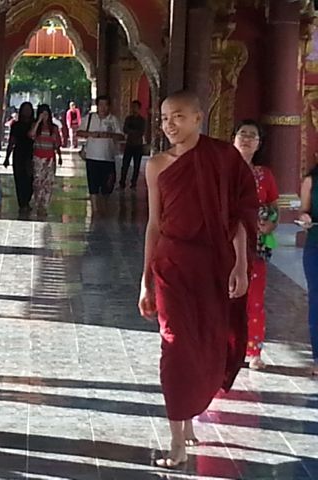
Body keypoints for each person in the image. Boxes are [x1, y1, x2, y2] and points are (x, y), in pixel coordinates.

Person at [138, 91, 258, 468]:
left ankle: (189, 415)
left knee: (207, 343)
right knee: (175, 346)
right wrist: (145, 280)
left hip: (212, 264)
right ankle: (177, 439)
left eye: (177, 117)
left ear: (197, 118)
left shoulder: (222, 158)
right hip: (172, 263)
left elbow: (240, 215)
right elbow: (154, 224)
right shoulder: (156, 165)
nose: (169, 125)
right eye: (163, 118)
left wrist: (239, 265)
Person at [233, 120, 278, 370]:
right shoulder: (222, 170)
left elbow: (273, 205)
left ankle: (254, 349)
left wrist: (271, 223)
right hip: (226, 242)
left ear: (259, 144)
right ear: (233, 138)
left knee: (255, 296)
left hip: (257, 243)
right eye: (242, 134)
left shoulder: (265, 175)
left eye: (253, 136)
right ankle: (229, 347)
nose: (247, 139)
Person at [77, 95, 124, 217]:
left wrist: (109, 134)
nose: (103, 108)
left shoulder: (113, 120)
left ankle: (104, 207)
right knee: (93, 185)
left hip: (108, 157)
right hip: (92, 157)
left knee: (107, 185)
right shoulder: (89, 118)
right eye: (100, 105)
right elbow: (79, 132)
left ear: (109, 106)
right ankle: (95, 210)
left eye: (105, 105)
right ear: (97, 106)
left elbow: (121, 136)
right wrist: (92, 134)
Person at [298, 161, 318, 376]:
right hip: (316, 248)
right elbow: (304, 211)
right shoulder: (311, 181)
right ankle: (317, 357)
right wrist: (305, 219)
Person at [29, 104, 62, 218]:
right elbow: (31, 135)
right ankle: (38, 204)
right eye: (42, 114)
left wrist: (59, 155)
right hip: (38, 157)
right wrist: (38, 122)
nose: (44, 116)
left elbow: (57, 143)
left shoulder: (54, 128)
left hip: (50, 158)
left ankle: (45, 205)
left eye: (46, 114)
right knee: (38, 182)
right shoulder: (35, 127)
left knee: (48, 183)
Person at [4, 102, 35, 213]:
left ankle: (27, 199)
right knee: (20, 179)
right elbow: (12, 141)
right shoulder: (16, 125)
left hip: (32, 154)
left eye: (29, 109)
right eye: (25, 109)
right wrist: (7, 157)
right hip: (19, 154)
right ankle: (22, 203)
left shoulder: (35, 124)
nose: (27, 112)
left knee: (31, 179)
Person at [119, 100, 146, 189]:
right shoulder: (128, 119)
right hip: (129, 144)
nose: (134, 109)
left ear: (139, 108)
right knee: (125, 164)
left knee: (136, 165)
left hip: (138, 145)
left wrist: (132, 131)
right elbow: (125, 129)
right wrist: (133, 131)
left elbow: (141, 132)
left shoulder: (142, 120)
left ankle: (133, 183)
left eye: (136, 107)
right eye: (133, 107)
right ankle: (122, 182)